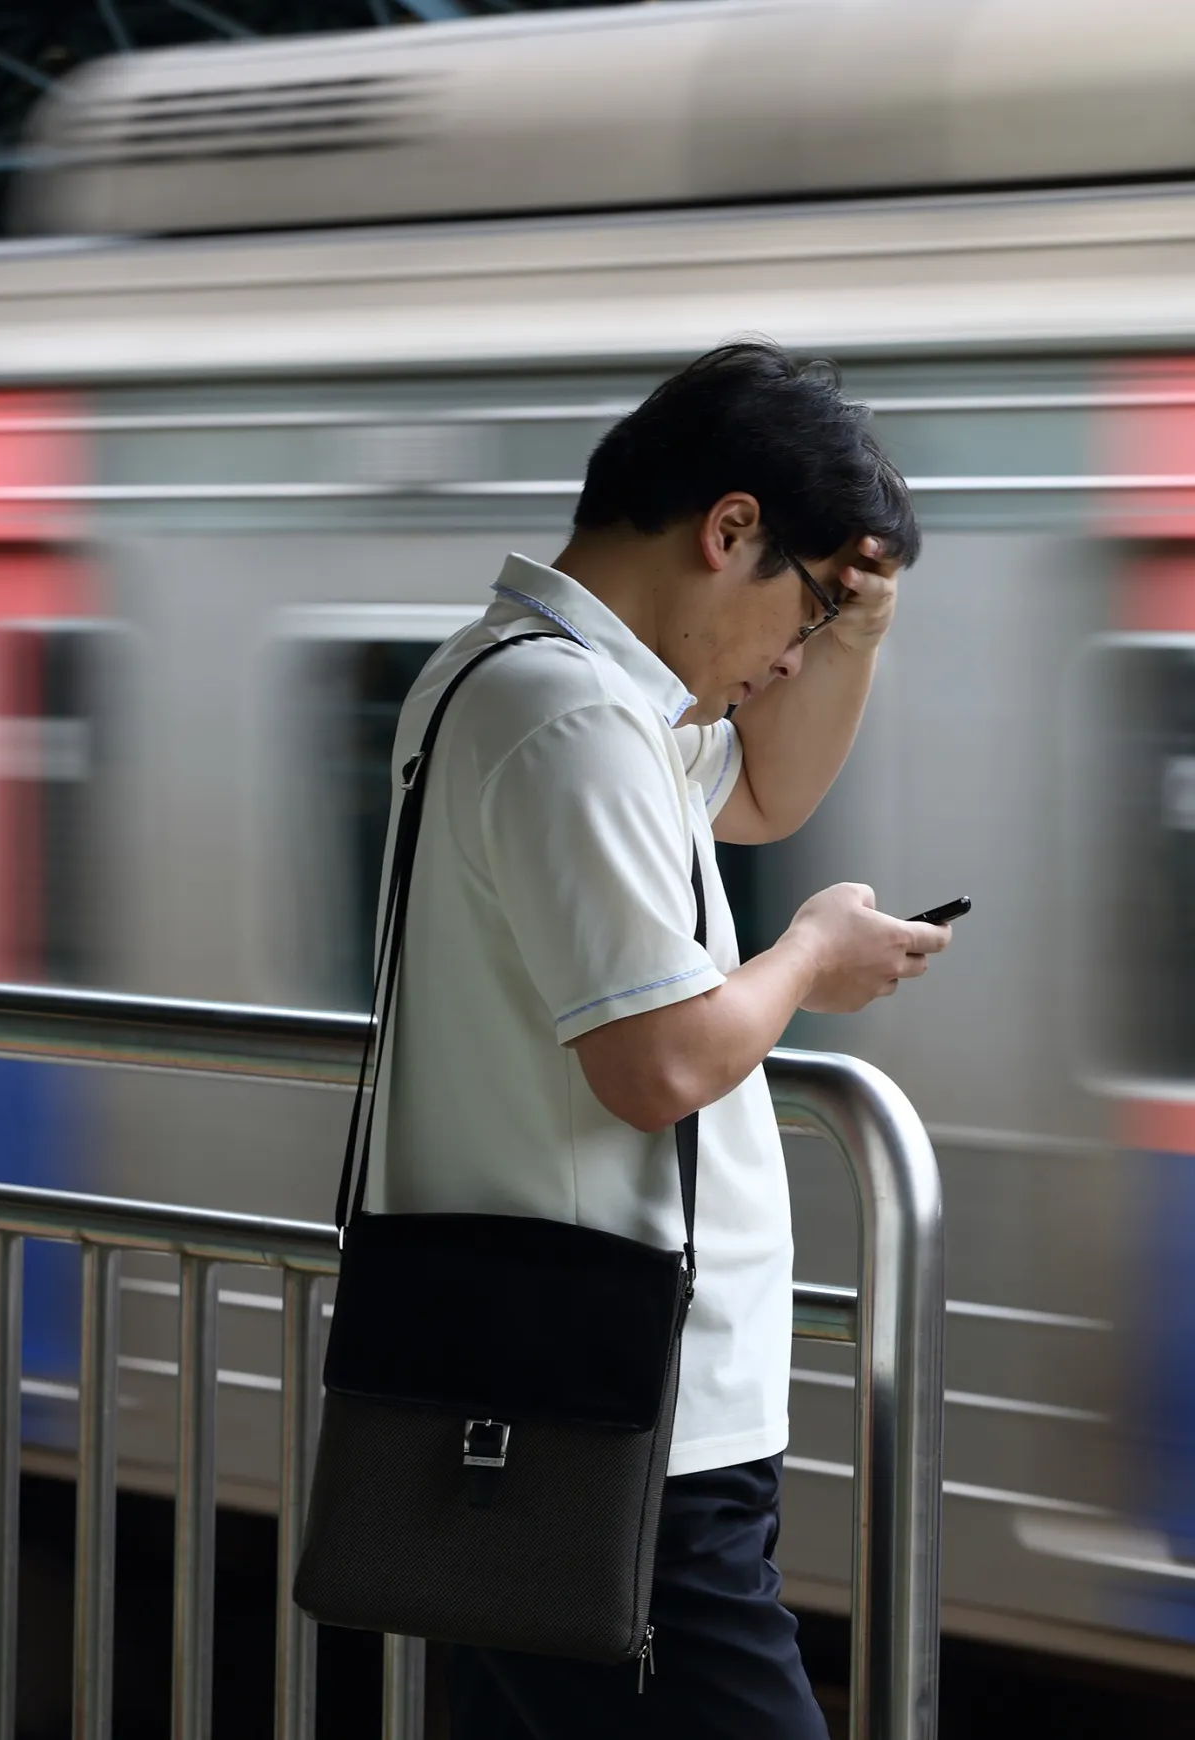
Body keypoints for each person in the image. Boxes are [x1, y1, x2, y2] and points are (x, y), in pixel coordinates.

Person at [371, 340, 944, 1738]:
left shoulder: (567, 686)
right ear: (726, 529)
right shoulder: (565, 716)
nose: (788, 657)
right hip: (617, 1400)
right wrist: (806, 956)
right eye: (801, 610)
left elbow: (761, 796)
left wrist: (856, 629)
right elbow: (658, 1067)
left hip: (594, 1382)